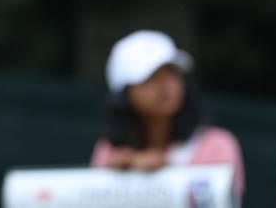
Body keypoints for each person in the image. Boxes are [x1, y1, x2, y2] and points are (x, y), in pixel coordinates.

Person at [90, 30, 245, 202]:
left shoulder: (217, 144)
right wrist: (115, 176)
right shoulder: (109, 151)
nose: (164, 84)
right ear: (125, 93)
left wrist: (166, 171)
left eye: (171, 72)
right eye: (150, 76)